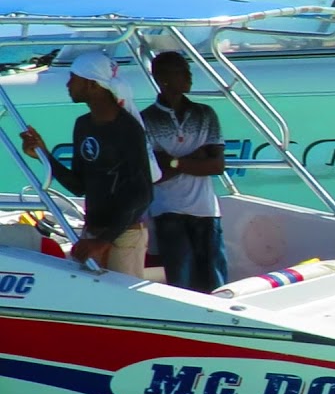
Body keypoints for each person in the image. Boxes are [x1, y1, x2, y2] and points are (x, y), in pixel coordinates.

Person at [18, 52, 153, 276]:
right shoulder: (83, 125)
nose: (68, 85)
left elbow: (143, 194)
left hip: (123, 235)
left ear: (92, 84)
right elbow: (78, 185)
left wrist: (103, 241)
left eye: (73, 78)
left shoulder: (127, 128)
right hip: (93, 233)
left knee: (118, 298)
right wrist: (43, 154)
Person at [140, 51, 229, 292]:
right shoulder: (146, 119)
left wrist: (174, 162)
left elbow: (217, 166)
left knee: (216, 283)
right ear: (163, 79)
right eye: (182, 71)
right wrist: (196, 157)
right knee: (182, 285)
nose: (189, 76)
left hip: (206, 210)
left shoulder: (205, 114)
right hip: (167, 212)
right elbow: (155, 174)